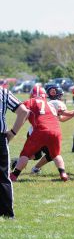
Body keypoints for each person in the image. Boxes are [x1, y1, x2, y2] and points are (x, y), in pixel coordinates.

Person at [0, 86, 28, 218]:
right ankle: (7, 213)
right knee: (3, 177)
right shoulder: (3, 92)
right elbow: (23, 111)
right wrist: (12, 133)